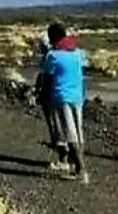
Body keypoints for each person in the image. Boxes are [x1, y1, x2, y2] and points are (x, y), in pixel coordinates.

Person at [43, 22, 89, 183]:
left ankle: (81, 171)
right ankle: (73, 166)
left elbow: (47, 80)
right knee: (78, 132)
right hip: (77, 97)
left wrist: (43, 97)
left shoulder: (53, 56)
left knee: (69, 134)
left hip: (61, 97)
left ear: (53, 37)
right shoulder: (77, 52)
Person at [33, 32, 60, 151]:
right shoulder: (54, 55)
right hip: (53, 91)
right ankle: (57, 141)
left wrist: (39, 91)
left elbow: (45, 76)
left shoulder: (50, 57)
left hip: (50, 92)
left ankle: (57, 142)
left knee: (52, 120)